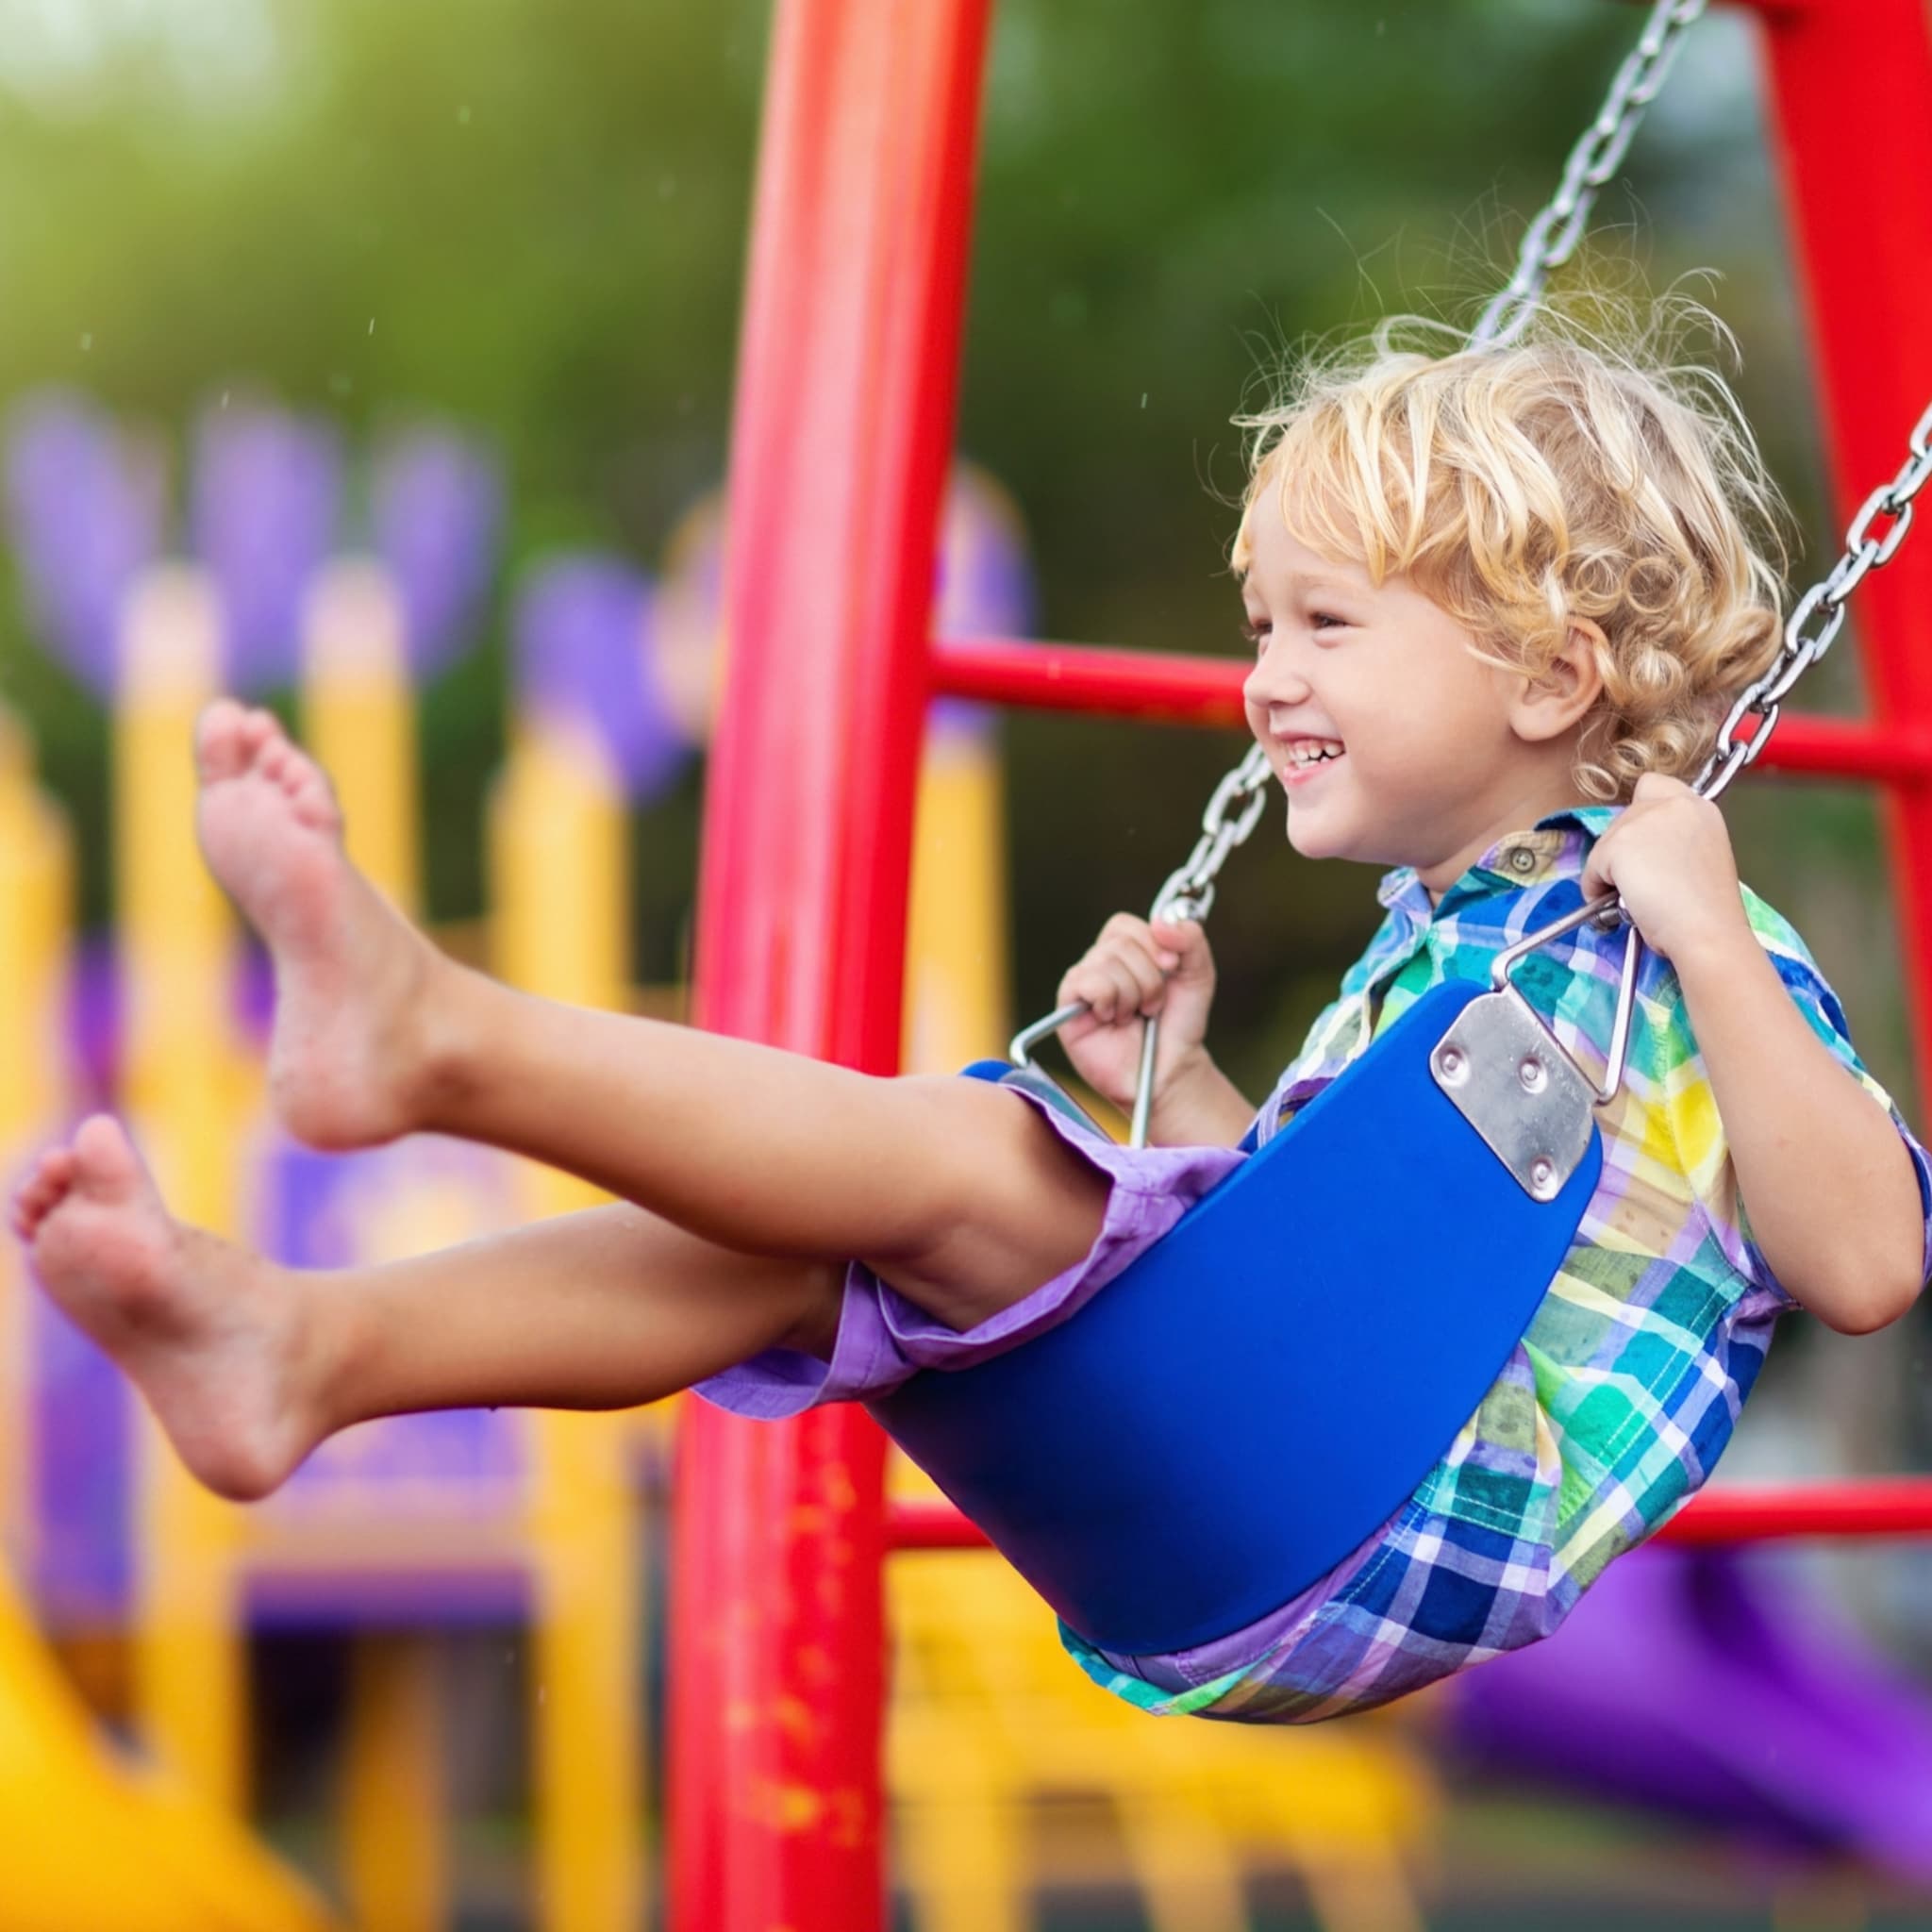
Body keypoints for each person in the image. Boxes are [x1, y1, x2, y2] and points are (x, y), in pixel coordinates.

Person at [14, 320, 1931, 1724]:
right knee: (809, 1257)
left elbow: (1863, 1258)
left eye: (1323, 629)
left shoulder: (1678, 948)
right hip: (1255, 1498)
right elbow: (1343, 1266)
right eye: (1258, 626)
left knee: (966, 1155)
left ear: (1552, 678)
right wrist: (1175, 1087)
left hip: (1370, 1517)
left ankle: (438, 1038)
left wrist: (1713, 937)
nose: (1262, 682)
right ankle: (309, 1349)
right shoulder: (1445, 948)